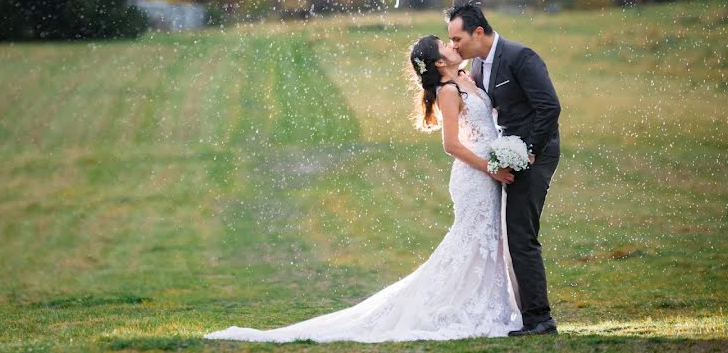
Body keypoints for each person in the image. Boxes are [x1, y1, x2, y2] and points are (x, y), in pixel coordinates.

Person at [204, 35, 523, 343]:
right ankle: (462, 308)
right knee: (473, 240)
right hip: (475, 176)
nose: (453, 45)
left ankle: (487, 304)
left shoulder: (467, 78)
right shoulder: (448, 91)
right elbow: (451, 144)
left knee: (490, 241)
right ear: (439, 62)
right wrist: (491, 167)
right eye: (446, 44)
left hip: (489, 174)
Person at [446, 1, 561, 337]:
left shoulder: (520, 57)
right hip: (507, 156)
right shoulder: (479, 66)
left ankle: (540, 318)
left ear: (478, 32)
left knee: (521, 236)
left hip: (535, 156)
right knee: (511, 237)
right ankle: (528, 314)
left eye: (457, 39)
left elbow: (549, 107)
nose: (454, 45)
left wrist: (529, 152)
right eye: (450, 41)